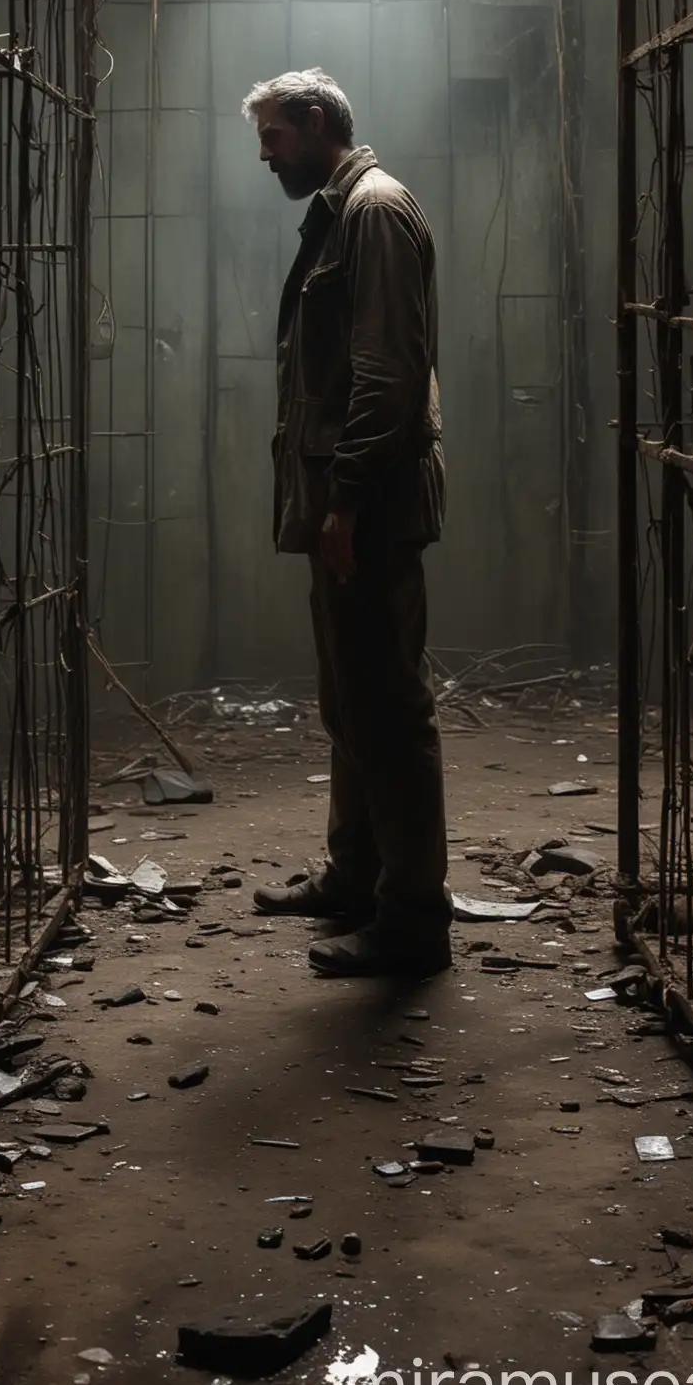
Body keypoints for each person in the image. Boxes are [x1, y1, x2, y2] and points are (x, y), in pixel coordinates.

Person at [240, 68, 451, 978]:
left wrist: (348, 502)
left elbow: (388, 378)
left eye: (274, 136)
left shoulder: (374, 211)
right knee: (349, 699)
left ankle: (410, 919)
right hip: (340, 503)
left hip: (363, 506)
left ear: (319, 122)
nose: (264, 155)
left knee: (387, 707)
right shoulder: (344, 210)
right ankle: (356, 877)